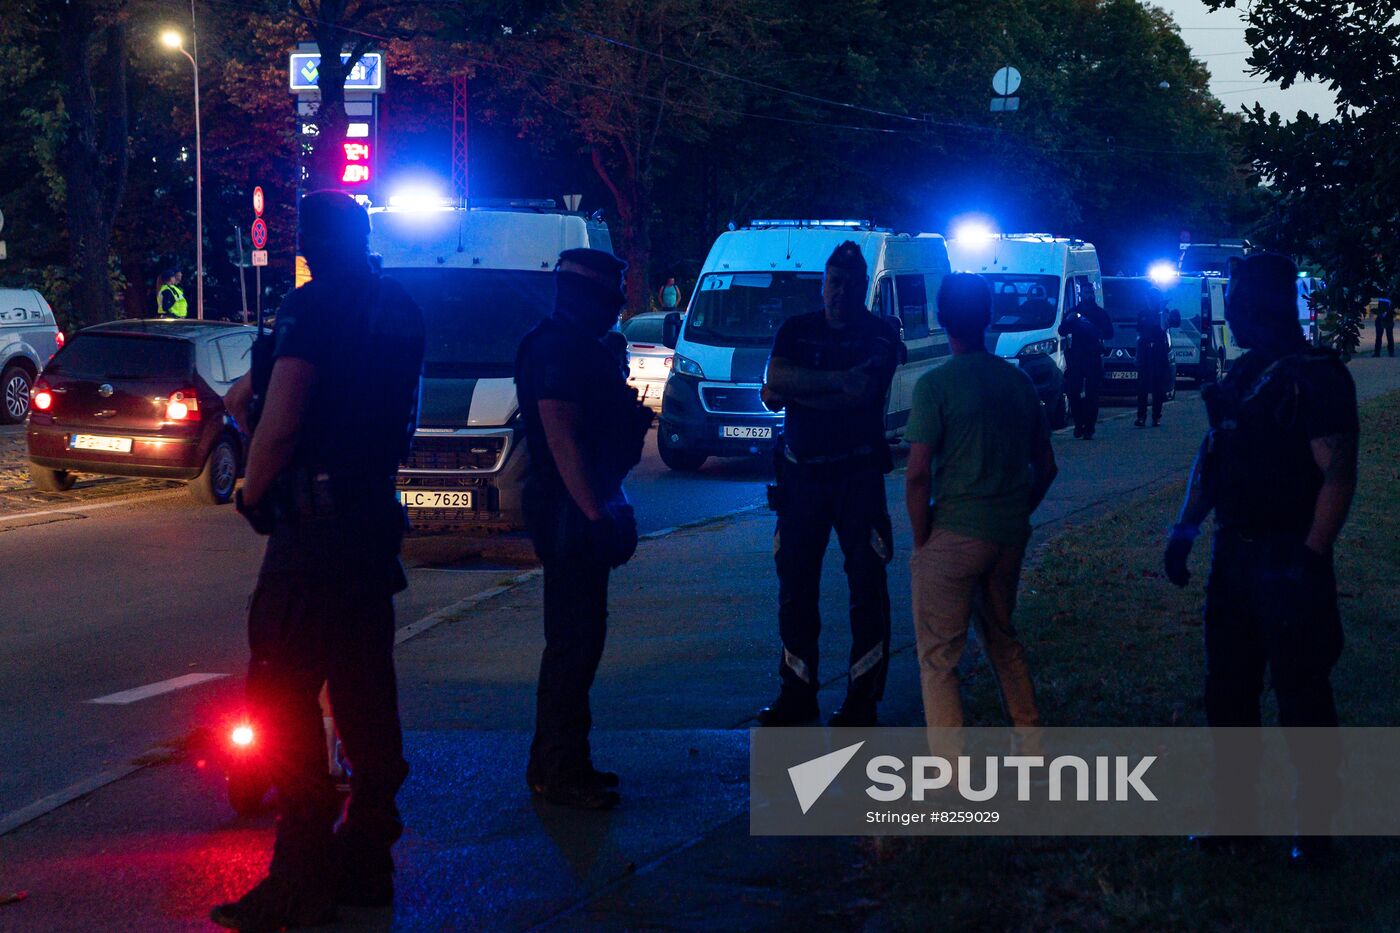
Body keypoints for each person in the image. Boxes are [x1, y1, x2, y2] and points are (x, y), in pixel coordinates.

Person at [211, 191, 425, 930]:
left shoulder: (312, 306)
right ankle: (366, 861)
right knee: (367, 698)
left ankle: (299, 876)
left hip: (310, 540)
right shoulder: (398, 308)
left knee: (279, 698)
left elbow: (282, 415)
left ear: (314, 242)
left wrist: (252, 488)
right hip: (370, 531)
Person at [1163, 252, 1358, 867]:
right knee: (1229, 692)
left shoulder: (1319, 377)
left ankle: (1316, 830)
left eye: (1239, 296)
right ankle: (1237, 819)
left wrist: (1310, 555)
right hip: (1236, 555)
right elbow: (1213, 455)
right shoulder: (1245, 375)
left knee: (1301, 694)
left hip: (1286, 552)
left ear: (1263, 303)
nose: (1231, 309)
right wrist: (1186, 528)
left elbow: (1338, 473)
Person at [515, 248, 653, 810]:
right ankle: (559, 769)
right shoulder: (557, 350)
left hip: (577, 507)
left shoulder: (573, 347)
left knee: (579, 640)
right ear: (588, 299)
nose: (614, 313)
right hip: (570, 512)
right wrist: (597, 514)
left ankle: (560, 761)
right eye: (610, 301)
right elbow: (562, 436)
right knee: (574, 643)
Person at [904, 273, 1058, 732]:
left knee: (938, 658)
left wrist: (922, 540)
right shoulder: (1018, 383)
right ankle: (1030, 746)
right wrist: (1017, 510)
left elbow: (916, 474)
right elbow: (1046, 467)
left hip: (953, 534)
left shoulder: (935, 386)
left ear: (940, 318)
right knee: (1002, 638)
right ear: (989, 316)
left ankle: (949, 773)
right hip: (1008, 535)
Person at [755, 241, 900, 728]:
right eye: (832, 282)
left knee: (867, 588)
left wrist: (795, 389)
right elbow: (774, 376)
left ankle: (862, 701)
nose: (838, 293)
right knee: (795, 587)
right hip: (800, 481)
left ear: (863, 288)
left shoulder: (880, 334)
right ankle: (796, 694)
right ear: (823, 282)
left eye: (849, 285)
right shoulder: (796, 329)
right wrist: (827, 382)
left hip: (857, 478)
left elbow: (859, 395)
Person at [1057, 286, 1113, 439]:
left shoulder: (1100, 313)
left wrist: (1097, 331)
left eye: (1090, 293)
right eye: (1085, 293)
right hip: (1077, 357)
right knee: (1073, 392)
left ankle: (1089, 427)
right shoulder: (1074, 312)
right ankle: (1079, 423)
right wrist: (1069, 320)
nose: (1088, 296)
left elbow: (1109, 333)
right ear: (1081, 294)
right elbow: (1062, 331)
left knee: (1092, 394)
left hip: (1093, 357)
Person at [1134, 292, 1172, 427]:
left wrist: (1162, 310)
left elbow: (1163, 327)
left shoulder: (1163, 312)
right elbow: (1139, 334)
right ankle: (1141, 417)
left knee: (1158, 389)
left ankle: (1156, 416)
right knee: (1142, 388)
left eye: (1151, 299)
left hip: (1159, 353)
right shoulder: (1142, 314)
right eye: (1147, 299)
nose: (1149, 302)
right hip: (1145, 353)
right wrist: (1138, 357)